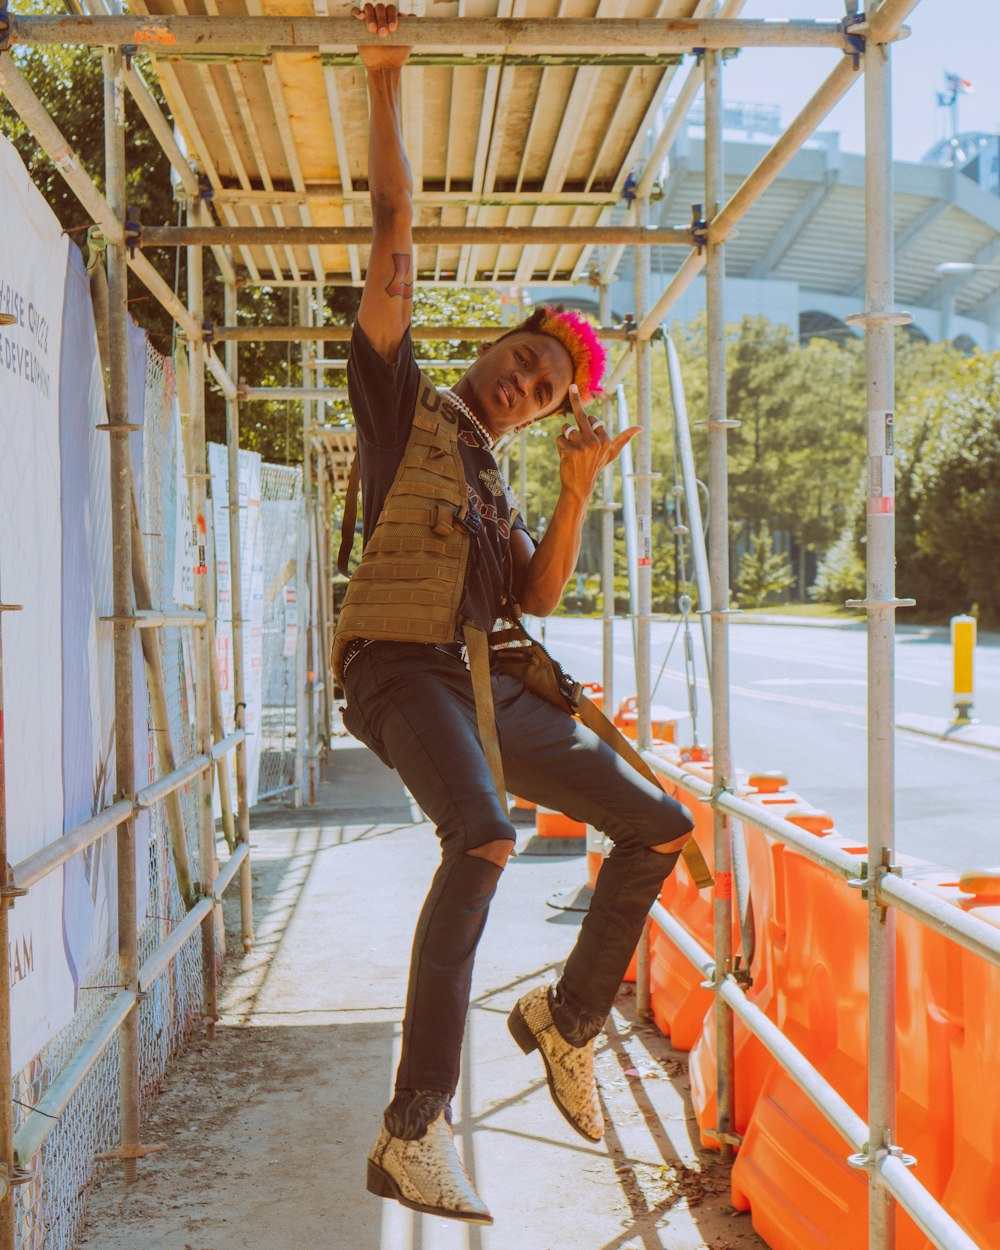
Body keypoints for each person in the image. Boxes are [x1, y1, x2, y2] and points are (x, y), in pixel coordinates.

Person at [339, 4, 696, 1226]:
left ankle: (564, 1015)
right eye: (522, 360)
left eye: (544, 393)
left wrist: (579, 490)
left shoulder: (501, 480)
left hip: (487, 685)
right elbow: (393, 237)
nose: (523, 384)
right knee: (483, 837)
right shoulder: (407, 407)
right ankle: (414, 1128)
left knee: (658, 822)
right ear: (494, 337)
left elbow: (537, 598)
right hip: (398, 671)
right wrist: (386, 76)